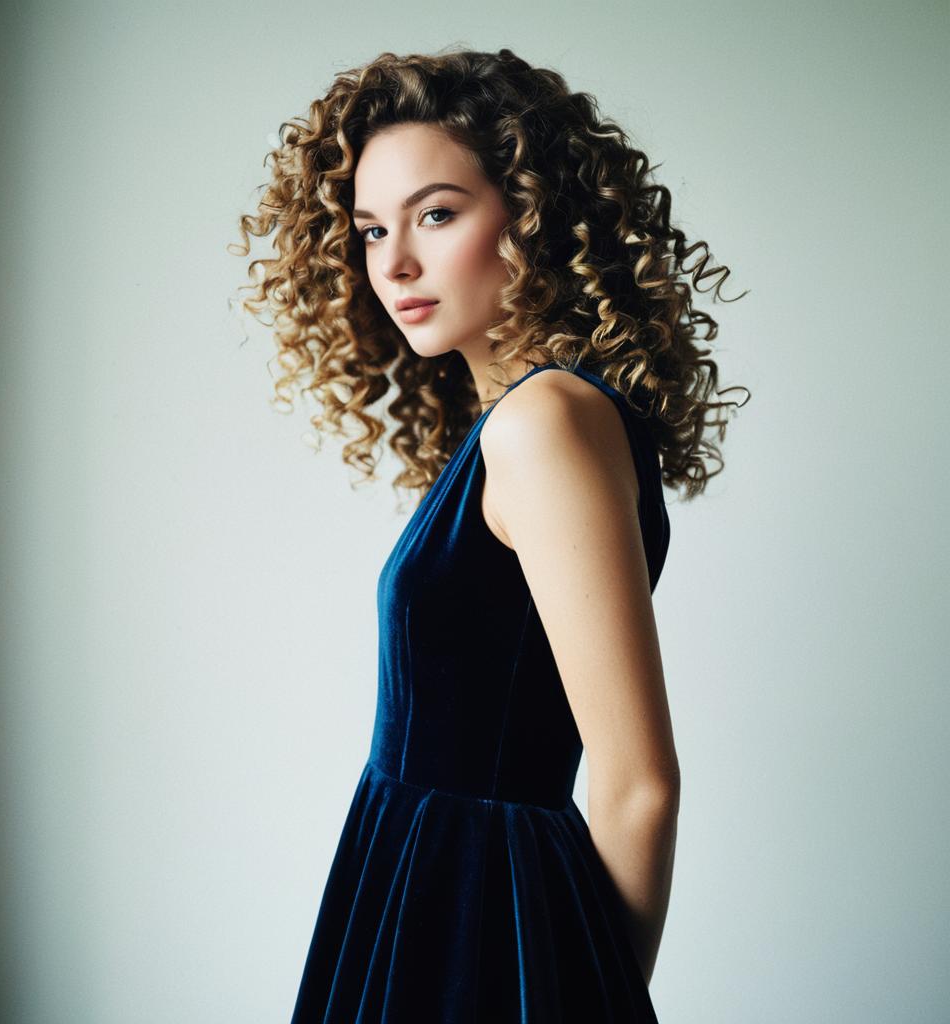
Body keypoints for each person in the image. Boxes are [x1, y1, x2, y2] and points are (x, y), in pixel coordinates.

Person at [231, 45, 749, 1023]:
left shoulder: (541, 422)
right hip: (425, 896)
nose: (393, 263)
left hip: (482, 924)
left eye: (436, 213)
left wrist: (583, 992)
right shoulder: (516, 422)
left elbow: (639, 783)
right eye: (371, 228)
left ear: (531, 213)